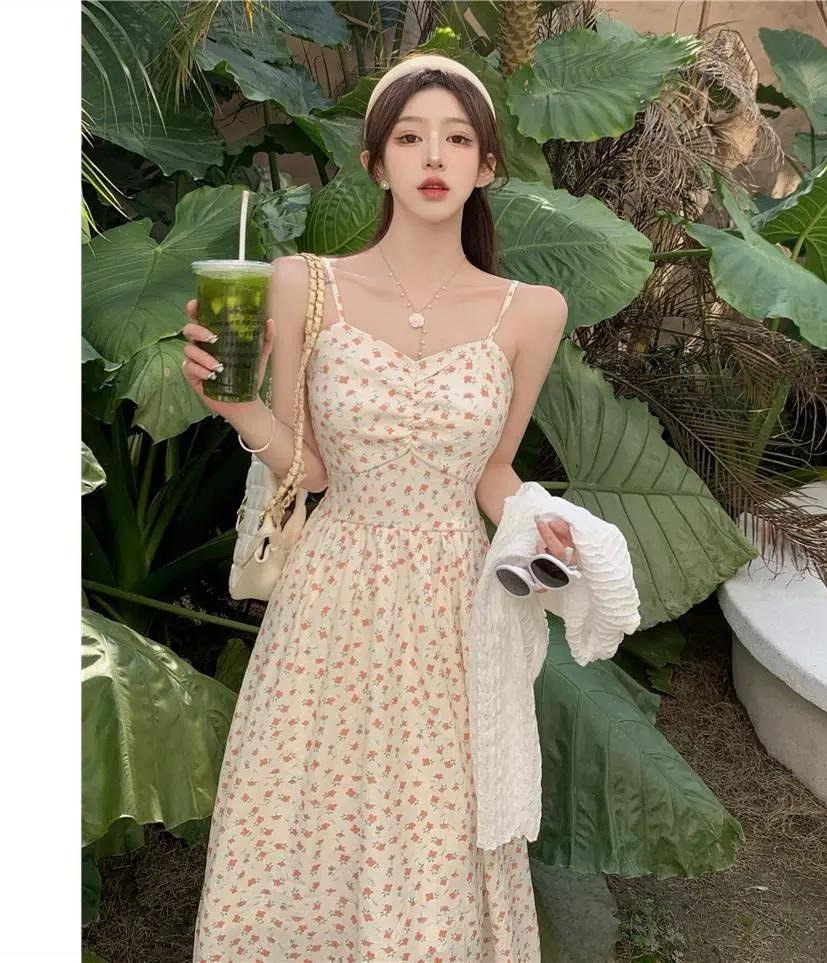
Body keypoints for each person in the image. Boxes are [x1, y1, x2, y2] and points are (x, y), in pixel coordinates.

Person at [182, 53, 574, 962]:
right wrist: (234, 405)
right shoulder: (303, 282)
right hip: (332, 590)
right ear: (374, 163)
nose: (432, 156)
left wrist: (540, 520)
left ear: (485, 165)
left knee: (434, 821)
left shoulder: (532, 310)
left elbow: (492, 471)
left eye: (456, 138)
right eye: (408, 137)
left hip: (452, 599)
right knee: (308, 811)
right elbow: (310, 470)